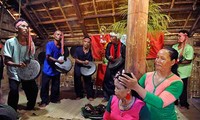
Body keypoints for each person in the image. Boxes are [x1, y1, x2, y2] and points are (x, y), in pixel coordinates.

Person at [119, 47, 183, 120]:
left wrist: (136, 86)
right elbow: (134, 94)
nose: (157, 61)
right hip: (146, 117)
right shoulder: (147, 76)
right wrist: (125, 95)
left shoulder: (176, 82)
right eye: (157, 57)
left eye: (162, 58)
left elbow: (160, 103)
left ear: (172, 62)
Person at [3, 18, 38, 111]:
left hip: (25, 72)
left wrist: (31, 69)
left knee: (33, 90)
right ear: (16, 29)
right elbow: (6, 61)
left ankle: (29, 108)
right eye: (23, 26)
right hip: (14, 72)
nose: (26, 28)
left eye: (27, 26)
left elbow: (31, 60)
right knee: (14, 92)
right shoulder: (10, 42)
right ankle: (11, 112)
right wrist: (17, 64)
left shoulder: (31, 43)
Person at [39, 30, 65, 107]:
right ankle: (44, 101)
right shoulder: (49, 44)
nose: (59, 36)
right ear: (54, 35)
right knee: (45, 86)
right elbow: (48, 57)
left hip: (56, 69)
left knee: (55, 85)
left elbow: (62, 55)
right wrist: (57, 60)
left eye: (60, 35)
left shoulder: (61, 46)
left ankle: (54, 99)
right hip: (48, 69)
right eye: (57, 34)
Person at [172, 30, 194, 109]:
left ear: (185, 37)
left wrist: (178, 61)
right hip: (174, 70)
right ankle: (174, 101)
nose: (178, 37)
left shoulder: (189, 48)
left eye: (180, 36)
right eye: (178, 36)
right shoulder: (174, 46)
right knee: (174, 86)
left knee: (182, 87)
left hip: (183, 71)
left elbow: (189, 60)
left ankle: (184, 103)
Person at [102, 32, 126, 102]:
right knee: (107, 80)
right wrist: (109, 57)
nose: (111, 38)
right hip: (111, 64)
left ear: (117, 38)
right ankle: (106, 96)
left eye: (113, 37)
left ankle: (117, 96)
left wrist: (119, 61)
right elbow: (106, 54)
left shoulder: (122, 45)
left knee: (118, 81)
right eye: (111, 37)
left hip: (120, 66)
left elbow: (124, 56)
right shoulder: (109, 45)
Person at [74, 37, 94, 101]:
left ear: (90, 43)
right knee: (77, 81)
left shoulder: (91, 51)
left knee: (88, 81)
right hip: (78, 66)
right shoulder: (78, 49)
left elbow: (92, 61)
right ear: (83, 42)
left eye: (88, 42)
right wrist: (83, 62)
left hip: (86, 67)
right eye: (85, 41)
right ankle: (79, 95)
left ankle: (90, 95)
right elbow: (76, 60)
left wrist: (88, 63)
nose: (86, 43)